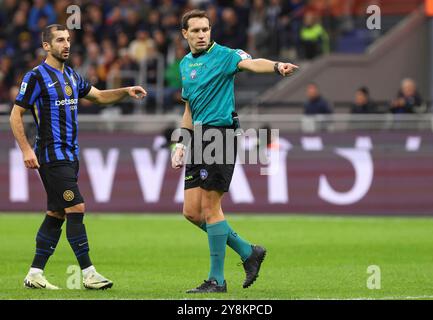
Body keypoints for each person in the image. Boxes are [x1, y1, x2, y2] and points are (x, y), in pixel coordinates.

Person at [10, 24, 147, 290]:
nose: (66, 44)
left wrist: (124, 91)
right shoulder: (36, 76)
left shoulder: (72, 75)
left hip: (71, 156)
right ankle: (88, 273)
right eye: (60, 40)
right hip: (52, 156)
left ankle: (35, 273)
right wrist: (26, 149)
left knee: (56, 213)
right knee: (76, 207)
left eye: (68, 39)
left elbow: (97, 96)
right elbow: (16, 114)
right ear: (47, 46)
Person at [171, 9, 298, 293]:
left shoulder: (226, 56)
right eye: (196, 31)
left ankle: (217, 280)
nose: (202, 34)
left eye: (205, 29)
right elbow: (189, 108)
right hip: (199, 138)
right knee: (191, 212)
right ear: (185, 34)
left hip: (220, 134)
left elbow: (253, 64)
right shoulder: (184, 65)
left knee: (210, 208)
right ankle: (247, 251)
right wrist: (181, 142)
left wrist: (277, 66)